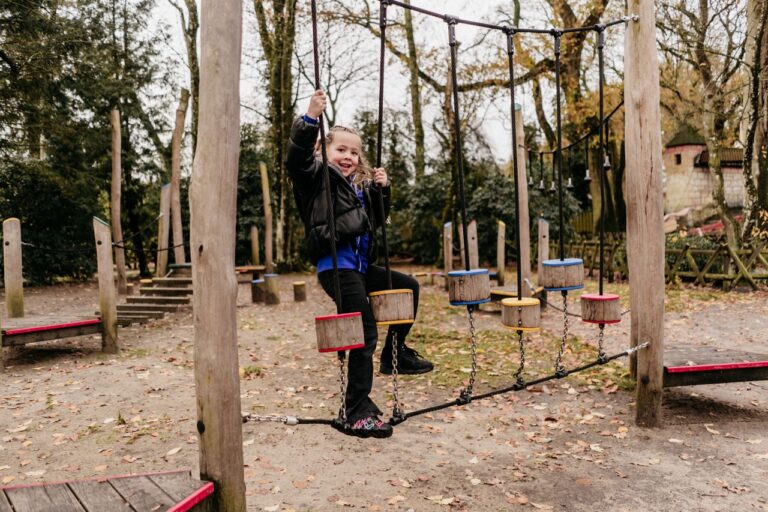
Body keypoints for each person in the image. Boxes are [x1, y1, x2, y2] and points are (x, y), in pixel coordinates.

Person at [286, 90, 433, 438]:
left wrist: (382, 192)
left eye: (354, 152)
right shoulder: (316, 178)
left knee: (408, 288)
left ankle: (395, 351)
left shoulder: (355, 188)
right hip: (336, 265)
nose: (348, 156)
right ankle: (356, 410)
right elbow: (296, 161)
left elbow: (375, 222)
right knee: (364, 331)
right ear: (323, 150)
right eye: (341, 149)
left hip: (360, 267)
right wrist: (309, 120)